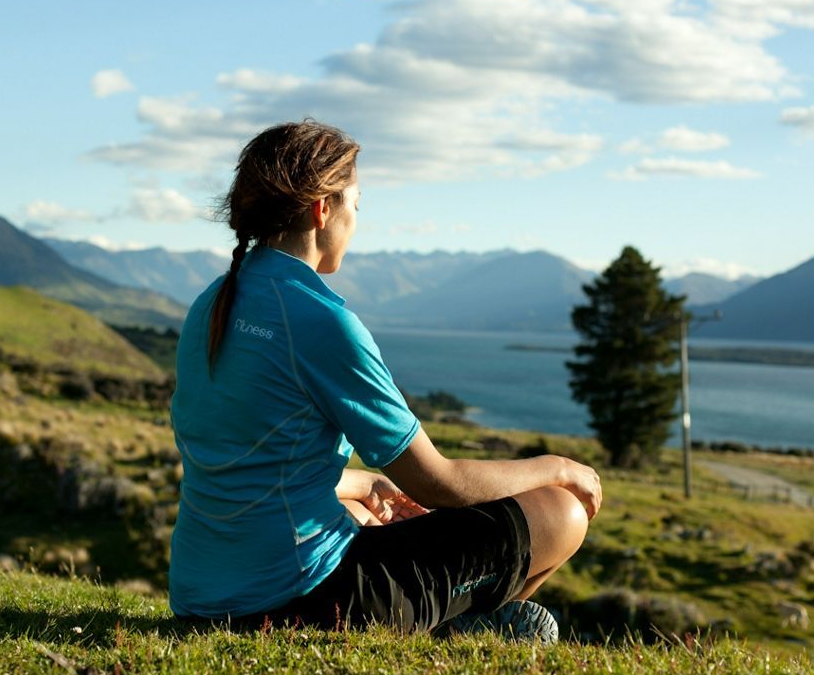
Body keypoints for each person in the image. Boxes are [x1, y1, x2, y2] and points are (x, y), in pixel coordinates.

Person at [169, 121, 601, 639]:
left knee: (363, 508)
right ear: (322, 208)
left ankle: (465, 616)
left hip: (200, 598)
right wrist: (556, 468)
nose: (356, 220)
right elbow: (439, 484)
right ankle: (469, 622)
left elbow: (249, 466)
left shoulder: (211, 305)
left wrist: (368, 482)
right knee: (562, 513)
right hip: (295, 605)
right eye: (357, 203)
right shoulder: (320, 322)